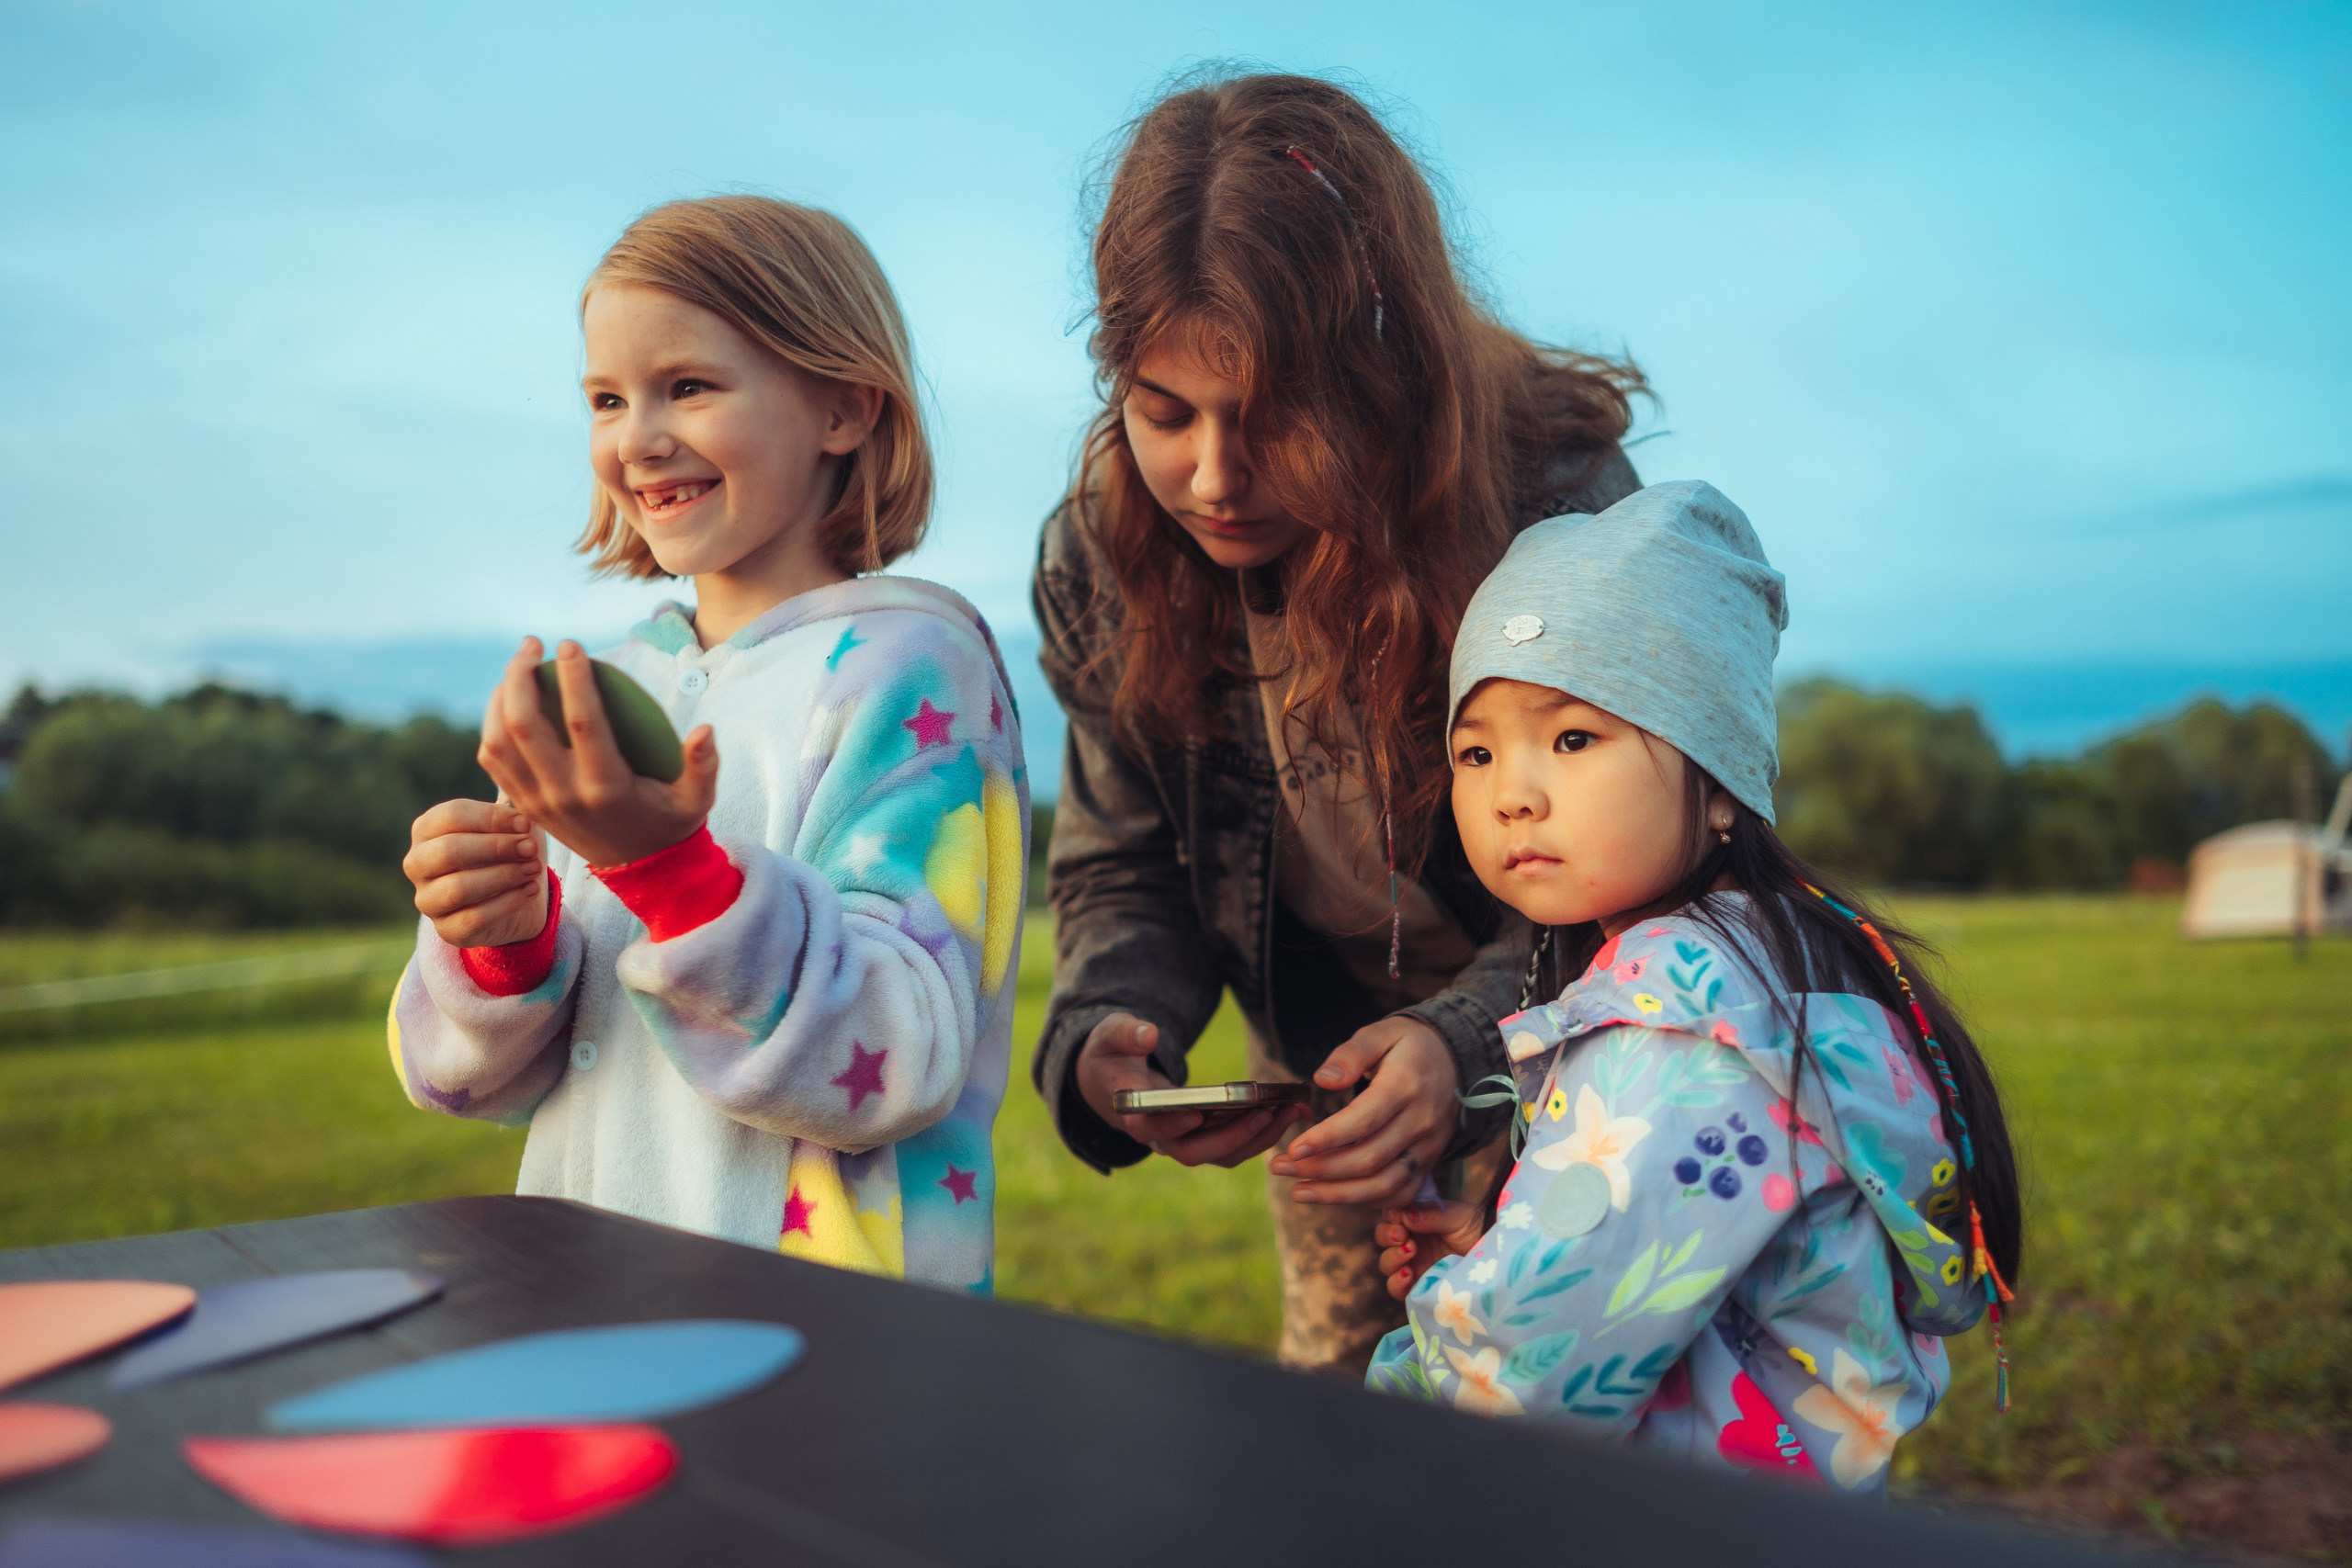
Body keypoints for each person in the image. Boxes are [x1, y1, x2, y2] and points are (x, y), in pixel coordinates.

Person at [1031, 71, 1645, 1374]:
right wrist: (1108, 1025)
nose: (1212, 476)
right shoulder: (1104, 552)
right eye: (1163, 412)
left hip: (1600, 1047)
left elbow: (1640, 873)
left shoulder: (1560, 509)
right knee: (1341, 1413)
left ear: (1384, 367)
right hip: (1324, 1060)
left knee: (1568, 1412)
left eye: (1270, 418)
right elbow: (1124, 858)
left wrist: (1459, 1043)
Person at [391, 197, 1026, 1292]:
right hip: (590, 1293)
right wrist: (503, 940)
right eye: (606, 398)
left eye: (687, 386)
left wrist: (666, 870)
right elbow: (470, 1083)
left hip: (828, 1334)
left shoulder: (914, 671)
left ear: (843, 409)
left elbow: (895, 1056)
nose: (636, 438)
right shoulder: (611, 694)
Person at [1363, 481, 2022, 1493]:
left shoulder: (1683, 1025)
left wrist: (1424, 1355)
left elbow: (1527, 1375)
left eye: (1572, 738)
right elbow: (1662, 1239)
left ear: (1718, 780)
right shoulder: (1777, 966)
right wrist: (1512, 1242)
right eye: (1476, 751)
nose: (1511, 794)